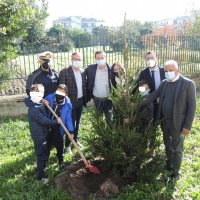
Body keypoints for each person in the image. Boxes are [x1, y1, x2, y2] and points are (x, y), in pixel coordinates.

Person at [140, 60, 196, 179]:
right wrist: (136, 103)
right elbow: (153, 95)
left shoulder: (187, 84)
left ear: (177, 71)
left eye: (171, 71)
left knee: (177, 148)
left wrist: (187, 125)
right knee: (167, 144)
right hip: (165, 120)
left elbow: (192, 106)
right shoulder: (164, 83)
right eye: (166, 71)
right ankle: (169, 164)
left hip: (179, 122)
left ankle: (176, 172)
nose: (168, 73)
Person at [25, 84, 61, 182]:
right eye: (41, 93)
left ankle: (39, 169)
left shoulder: (34, 102)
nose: (42, 95)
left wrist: (43, 102)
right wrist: (56, 121)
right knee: (43, 155)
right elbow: (44, 121)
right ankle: (40, 178)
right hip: (40, 136)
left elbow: (37, 101)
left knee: (40, 153)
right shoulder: (35, 109)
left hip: (38, 134)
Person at [59, 52, 87, 155]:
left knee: (77, 122)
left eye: (79, 59)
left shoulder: (83, 71)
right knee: (71, 124)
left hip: (80, 101)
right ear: (71, 60)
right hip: (70, 103)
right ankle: (67, 145)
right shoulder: (65, 72)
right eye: (75, 59)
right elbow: (61, 89)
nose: (77, 61)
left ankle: (75, 140)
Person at [45, 84, 74, 167]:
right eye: (58, 92)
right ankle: (44, 161)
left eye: (62, 93)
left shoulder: (67, 104)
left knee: (59, 145)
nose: (59, 94)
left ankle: (61, 161)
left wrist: (71, 131)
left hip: (58, 128)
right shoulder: (50, 97)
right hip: (48, 126)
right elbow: (39, 102)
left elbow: (68, 119)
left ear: (66, 95)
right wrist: (43, 102)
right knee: (46, 145)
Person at [137, 51, 165, 121]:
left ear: (156, 59)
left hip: (162, 102)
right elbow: (140, 86)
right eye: (148, 58)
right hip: (149, 104)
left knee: (163, 122)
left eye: (152, 58)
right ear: (145, 60)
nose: (150, 60)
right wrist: (144, 90)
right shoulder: (143, 72)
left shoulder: (163, 71)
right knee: (151, 123)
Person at [85, 50, 112, 122]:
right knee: (98, 121)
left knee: (110, 120)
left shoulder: (111, 70)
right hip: (97, 100)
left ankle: (109, 133)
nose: (100, 60)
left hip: (109, 100)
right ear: (95, 59)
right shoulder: (91, 68)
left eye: (102, 58)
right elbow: (80, 71)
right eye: (98, 58)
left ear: (105, 58)